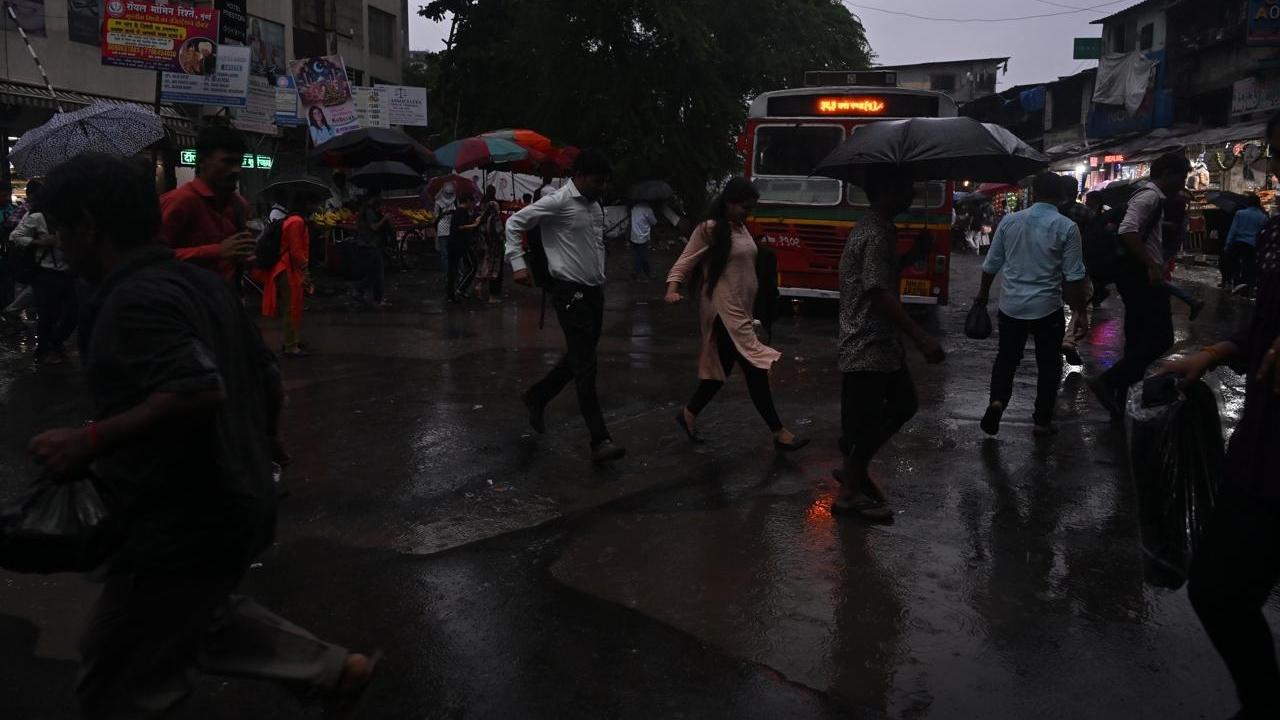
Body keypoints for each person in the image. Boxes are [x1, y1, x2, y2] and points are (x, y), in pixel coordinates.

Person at [30, 153, 376, 719]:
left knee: (118, 683)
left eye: (64, 231)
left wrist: (87, 441)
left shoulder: (134, 300)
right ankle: (331, 672)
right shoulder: (201, 284)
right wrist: (264, 441)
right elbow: (266, 377)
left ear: (89, 226)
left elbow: (195, 389)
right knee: (197, 616)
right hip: (234, 503)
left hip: (179, 519)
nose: (62, 247)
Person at [1165, 109, 1280, 720]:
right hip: (1265, 445)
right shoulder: (1271, 233)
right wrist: (1212, 352)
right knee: (1219, 590)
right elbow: (1263, 325)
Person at [664, 177, 808, 451]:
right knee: (754, 368)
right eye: (745, 207)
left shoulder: (741, 228)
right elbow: (685, 260)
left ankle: (688, 414)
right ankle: (779, 432)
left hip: (741, 310)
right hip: (722, 310)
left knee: (723, 369)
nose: (748, 212)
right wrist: (673, 289)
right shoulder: (710, 229)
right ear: (729, 203)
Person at [834, 167, 945, 523]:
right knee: (882, 414)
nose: (912, 195)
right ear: (888, 191)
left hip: (878, 344)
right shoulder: (876, 233)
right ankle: (849, 491)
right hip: (868, 344)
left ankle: (854, 468)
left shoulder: (876, 228)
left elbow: (879, 274)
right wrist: (920, 337)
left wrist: (913, 255)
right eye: (907, 188)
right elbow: (878, 291)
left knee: (897, 407)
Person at [506, 149, 625, 464]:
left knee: (579, 357)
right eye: (598, 181)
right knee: (586, 365)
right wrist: (517, 263)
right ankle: (600, 440)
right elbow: (514, 223)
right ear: (582, 176)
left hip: (594, 291)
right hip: (569, 292)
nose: (602, 187)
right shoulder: (558, 201)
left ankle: (537, 396)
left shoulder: (594, 205)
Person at [977, 172, 1090, 438]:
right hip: (1047, 308)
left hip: (1011, 306)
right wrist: (1080, 312)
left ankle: (997, 402)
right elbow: (1074, 276)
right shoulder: (1066, 227)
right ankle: (1041, 421)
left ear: (1034, 193)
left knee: (1007, 359)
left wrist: (982, 295)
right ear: (1062, 196)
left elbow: (991, 264)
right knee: (1048, 365)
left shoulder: (1010, 222)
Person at [1086, 152, 1192, 418]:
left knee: (1136, 341)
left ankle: (1117, 403)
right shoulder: (1150, 196)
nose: (1183, 183)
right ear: (1167, 174)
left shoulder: (1146, 196)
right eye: (1182, 177)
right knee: (1162, 338)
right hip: (1142, 279)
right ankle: (1108, 382)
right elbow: (1127, 230)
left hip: (1133, 277)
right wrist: (1152, 265)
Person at [158, 125, 256, 283]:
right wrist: (216, 251)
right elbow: (151, 259)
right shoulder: (179, 202)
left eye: (239, 162)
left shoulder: (239, 205)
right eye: (228, 162)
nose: (236, 170)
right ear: (202, 161)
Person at [9, 182, 78, 365]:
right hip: (46, 272)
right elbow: (15, 236)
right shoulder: (38, 217)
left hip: (67, 271)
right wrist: (39, 243)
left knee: (74, 312)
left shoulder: (70, 218)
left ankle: (55, 343)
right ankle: (43, 351)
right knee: (48, 314)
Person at [262, 189, 320, 356]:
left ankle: (292, 340)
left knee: (293, 306)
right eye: (314, 203)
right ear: (307, 204)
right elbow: (296, 251)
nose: (316, 207)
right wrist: (305, 270)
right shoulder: (296, 222)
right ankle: (290, 345)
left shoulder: (294, 220)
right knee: (291, 307)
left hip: (290, 268)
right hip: (289, 269)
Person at [1222, 193, 1265, 296]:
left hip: (1238, 243)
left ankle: (1235, 283)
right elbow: (1262, 233)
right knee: (1248, 266)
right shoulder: (1262, 216)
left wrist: (1228, 243)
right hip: (1252, 245)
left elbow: (1233, 229)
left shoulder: (1240, 213)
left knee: (1234, 264)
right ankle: (1246, 286)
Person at [354, 191, 391, 307]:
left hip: (370, 245)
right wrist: (385, 218)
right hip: (370, 245)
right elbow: (374, 227)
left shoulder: (368, 211)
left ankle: (362, 291)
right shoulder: (368, 211)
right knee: (378, 274)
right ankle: (376, 298)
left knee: (373, 274)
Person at [446, 193, 479, 303]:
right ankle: (459, 289)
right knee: (472, 266)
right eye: (472, 202)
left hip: (455, 244)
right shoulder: (462, 212)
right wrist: (474, 224)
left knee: (454, 269)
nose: (473, 205)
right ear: (468, 201)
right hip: (460, 244)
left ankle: (453, 293)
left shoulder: (459, 211)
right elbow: (460, 227)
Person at [474, 186, 504, 304]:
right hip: (493, 242)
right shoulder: (494, 205)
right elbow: (496, 223)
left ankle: (479, 286)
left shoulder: (481, 203)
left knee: (484, 265)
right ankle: (493, 297)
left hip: (482, 239)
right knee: (494, 269)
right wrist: (503, 237)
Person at [433, 181, 457, 274]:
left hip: (443, 229)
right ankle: (450, 272)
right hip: (450, 229)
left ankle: (447, 273)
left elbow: (435, 216)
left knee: (445, 254)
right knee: (448, 253)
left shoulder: (438, 201)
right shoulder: (454, 200)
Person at [630, 200, 656, 281]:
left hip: (634, 236)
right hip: (643, 237)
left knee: (641, 256)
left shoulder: (634, 208)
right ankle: (635, 273)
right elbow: (653, 222)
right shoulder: (647, 209)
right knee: (641, 257)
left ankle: (647, 273)